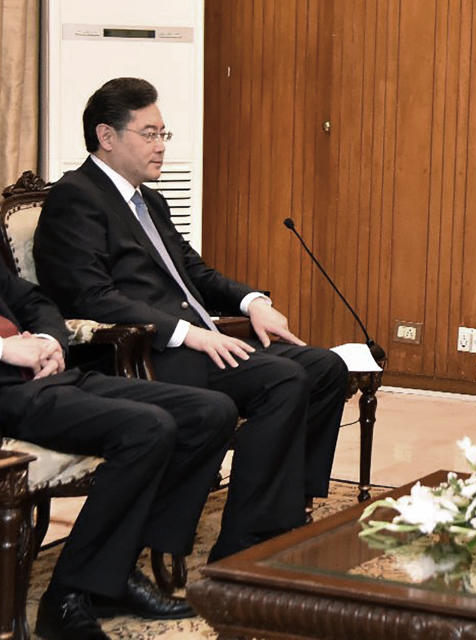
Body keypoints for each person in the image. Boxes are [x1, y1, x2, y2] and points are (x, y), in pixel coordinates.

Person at [33, 77, 350, 561]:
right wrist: (188, 334)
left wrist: (250, 302)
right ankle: (245, 544)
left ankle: (288, 511)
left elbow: (195, 272)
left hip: (200, 338)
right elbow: (92, 297)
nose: (161, 147)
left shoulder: (149, 200)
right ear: (107, 136)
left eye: (164, 135)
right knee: (283, 378)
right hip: (147, 354)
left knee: (325, 367)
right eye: (150, 134)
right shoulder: (76, 198)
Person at [0, 261, 236, 640]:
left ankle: (114, 571)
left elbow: (32, 299)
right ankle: (65, 598)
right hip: (7, 394)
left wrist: (49, 340)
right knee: (148, 427)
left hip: (51, 377)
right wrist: (5, 350)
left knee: (211, 412)